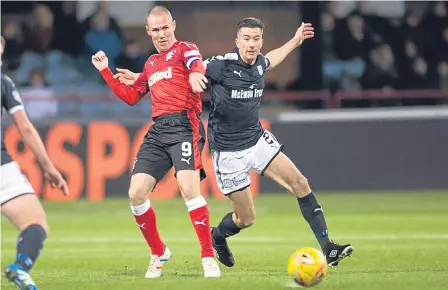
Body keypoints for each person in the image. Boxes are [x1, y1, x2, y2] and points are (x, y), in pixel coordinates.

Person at [202, 18, 353, 268]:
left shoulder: (260, 63)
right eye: (246, 39)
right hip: (229, 151)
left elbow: (272, 58)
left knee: (300, 183)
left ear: (261, 41)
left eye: (256, 39)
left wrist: (295, 40)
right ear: (237, 41)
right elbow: (186, 68)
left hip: (257, 139)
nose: (251, 44)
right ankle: (217, 236)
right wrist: (145, 79)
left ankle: (329, 249)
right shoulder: (220, 65)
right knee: (246, 219)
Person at [91, 6, 220, 278]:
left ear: (173, 25)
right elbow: (131, 97)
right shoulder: (151, 64)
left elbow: (195, 63)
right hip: (158, 131)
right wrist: (105, 71)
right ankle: (158, 251)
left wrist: (197, 72)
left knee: (188, 187)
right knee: (136, 194)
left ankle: (208, 257)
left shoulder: (185, 49)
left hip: (185, 126)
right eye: (156, 30)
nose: (162, 34)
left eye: (165, 28)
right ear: (148, 31)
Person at [1, 36, 70, 290]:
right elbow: (25, 128)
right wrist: (49, 167)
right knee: (35, 224)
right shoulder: (4, 83)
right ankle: (20, 267)